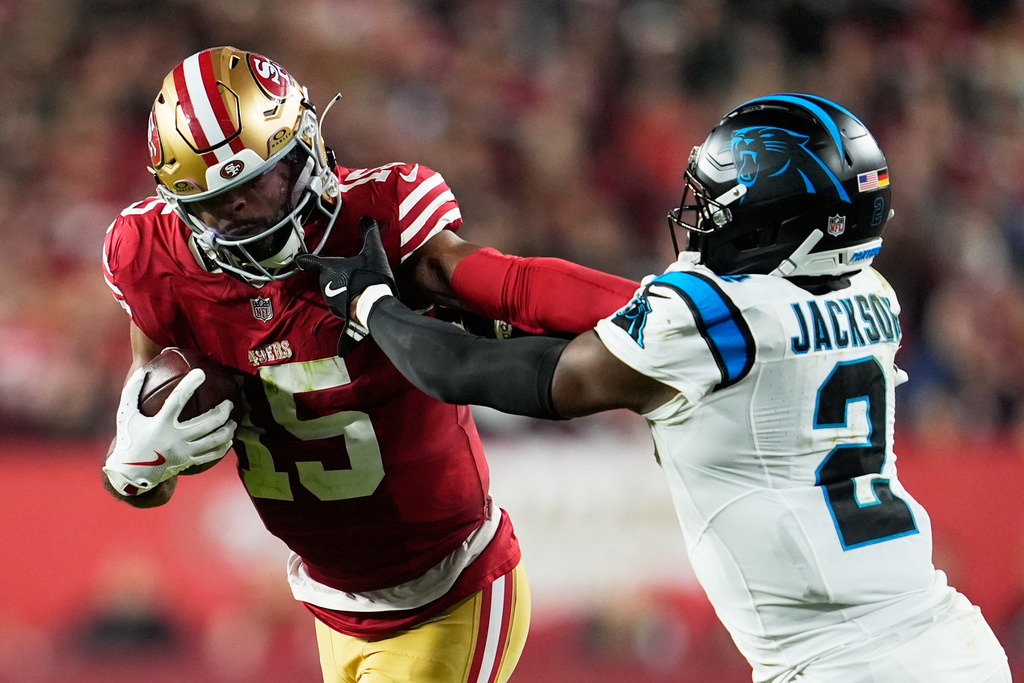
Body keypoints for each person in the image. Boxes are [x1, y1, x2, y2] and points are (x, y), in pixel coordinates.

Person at [301, 94, 1012, 681]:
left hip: (841, 663)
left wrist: (372, 306)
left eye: (722, 202)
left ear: (779, 221)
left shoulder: (716, 316)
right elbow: (640, 331)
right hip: (948, 637)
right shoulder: (871, 292)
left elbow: (472, 376)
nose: (702, 218)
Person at [100, 46, 638, 683]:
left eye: (257, 183)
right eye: (221, 201)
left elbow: (509, 282)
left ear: (303, 150)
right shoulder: (153, 257)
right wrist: (131, 471)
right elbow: (157, 445)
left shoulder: (378, 216)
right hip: (332, 603)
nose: (244, 212)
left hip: (448, 588)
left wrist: (652, 307)